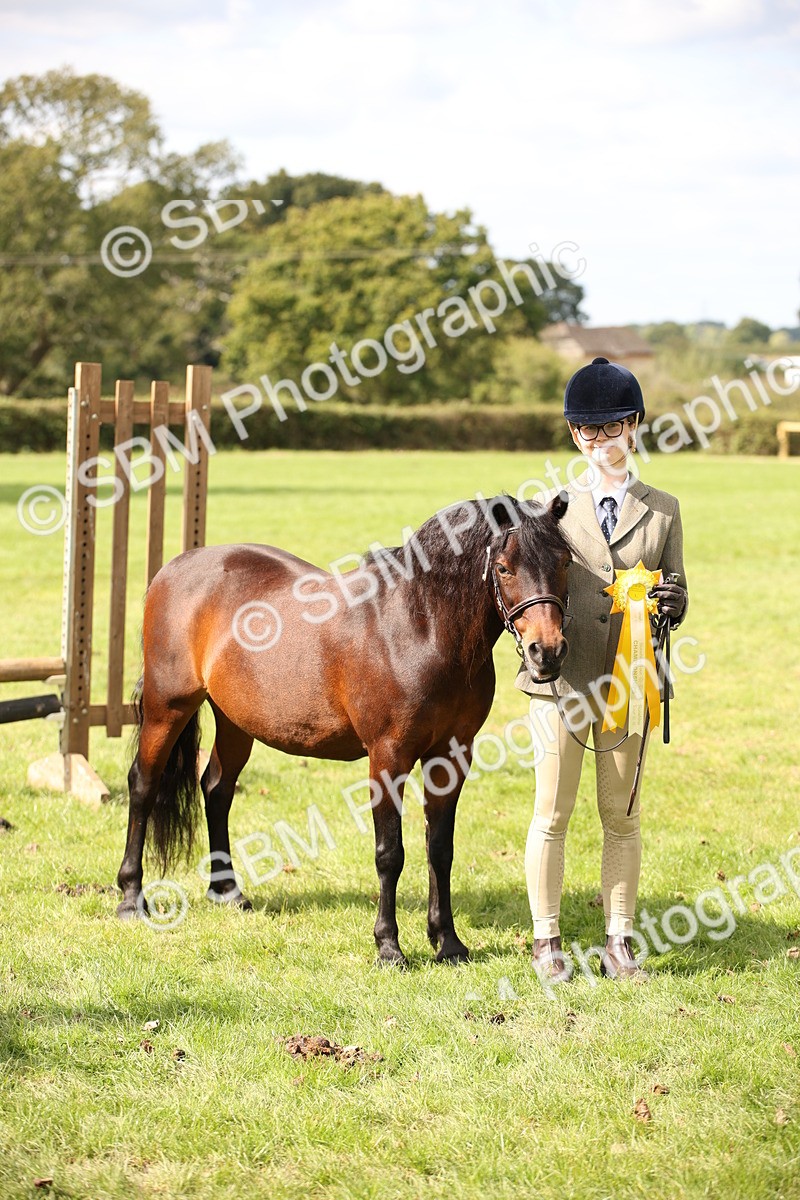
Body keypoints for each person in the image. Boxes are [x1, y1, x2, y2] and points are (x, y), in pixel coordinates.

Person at [515, 356, 688, 983]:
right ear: (574, 434)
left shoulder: (663, 510)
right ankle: (546, 940)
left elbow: (678, 587)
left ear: (634, 426)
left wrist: (674, 603)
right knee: (550, 813)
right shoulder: (548, 509)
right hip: (559, 682)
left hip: (628, 683)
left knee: (622, 817)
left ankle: (619, 941)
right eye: (587, 430)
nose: (600, 440)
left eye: (612, 426)